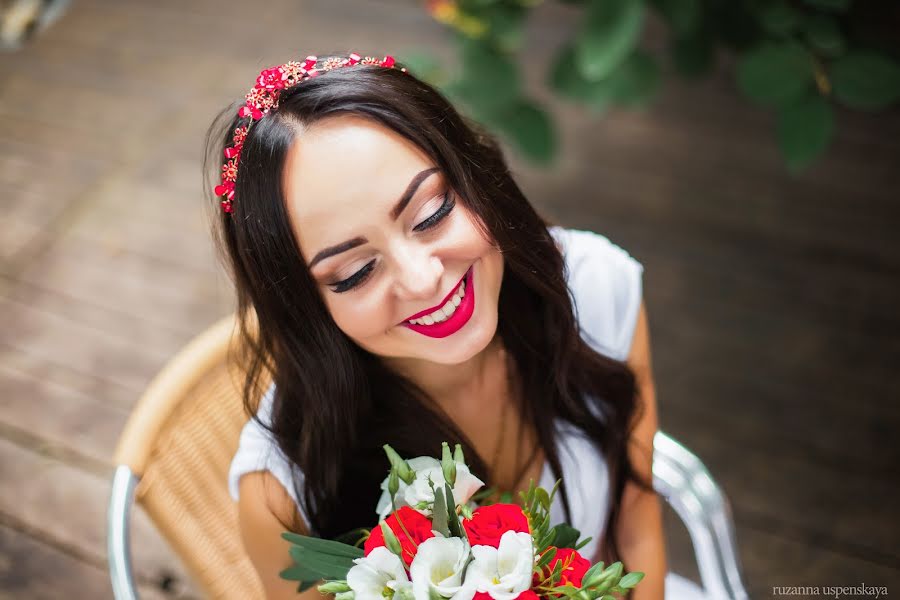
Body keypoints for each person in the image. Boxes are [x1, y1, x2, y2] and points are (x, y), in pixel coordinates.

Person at [205, 52, 706, 600]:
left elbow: (635, 520)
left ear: (474, 176)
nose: (422, 280)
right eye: (355, 272)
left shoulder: (593, 289)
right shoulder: (284, 492)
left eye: (431, 213)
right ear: (305, 307)